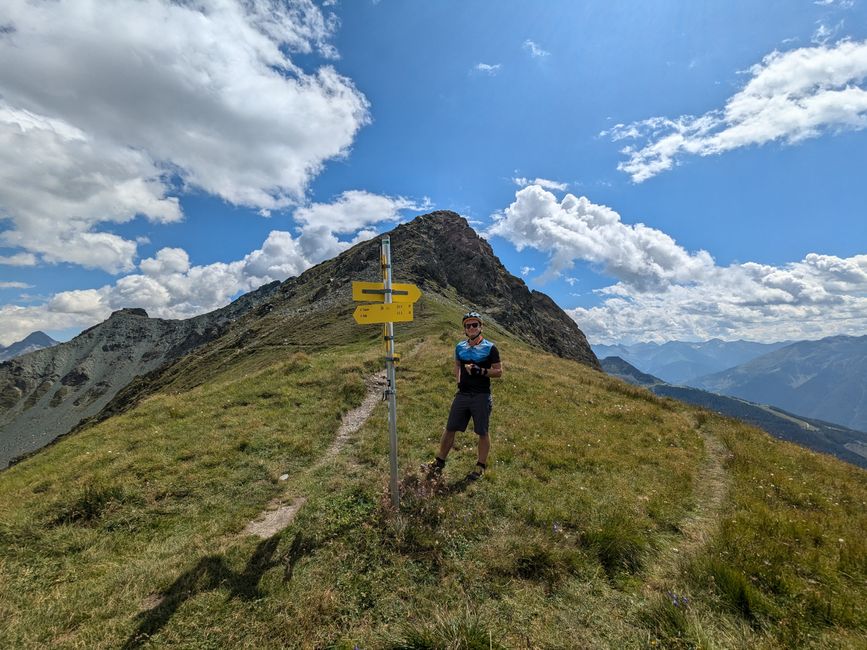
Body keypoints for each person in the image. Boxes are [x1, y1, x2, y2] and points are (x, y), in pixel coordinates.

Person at [427, 311, 503, 481]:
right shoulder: (460, 347)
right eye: (468, 325)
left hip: (481, 395)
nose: (471, 328)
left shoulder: (491, 348)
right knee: (450, 428)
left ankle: (480, 465)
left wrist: (480, 371)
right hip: (462, 394)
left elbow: (498, 372)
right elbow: (457, 366)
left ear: (480, 327)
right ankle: (440, 461)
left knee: (482, 431)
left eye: (474, 324)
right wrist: (459, 381)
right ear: (464, 329)